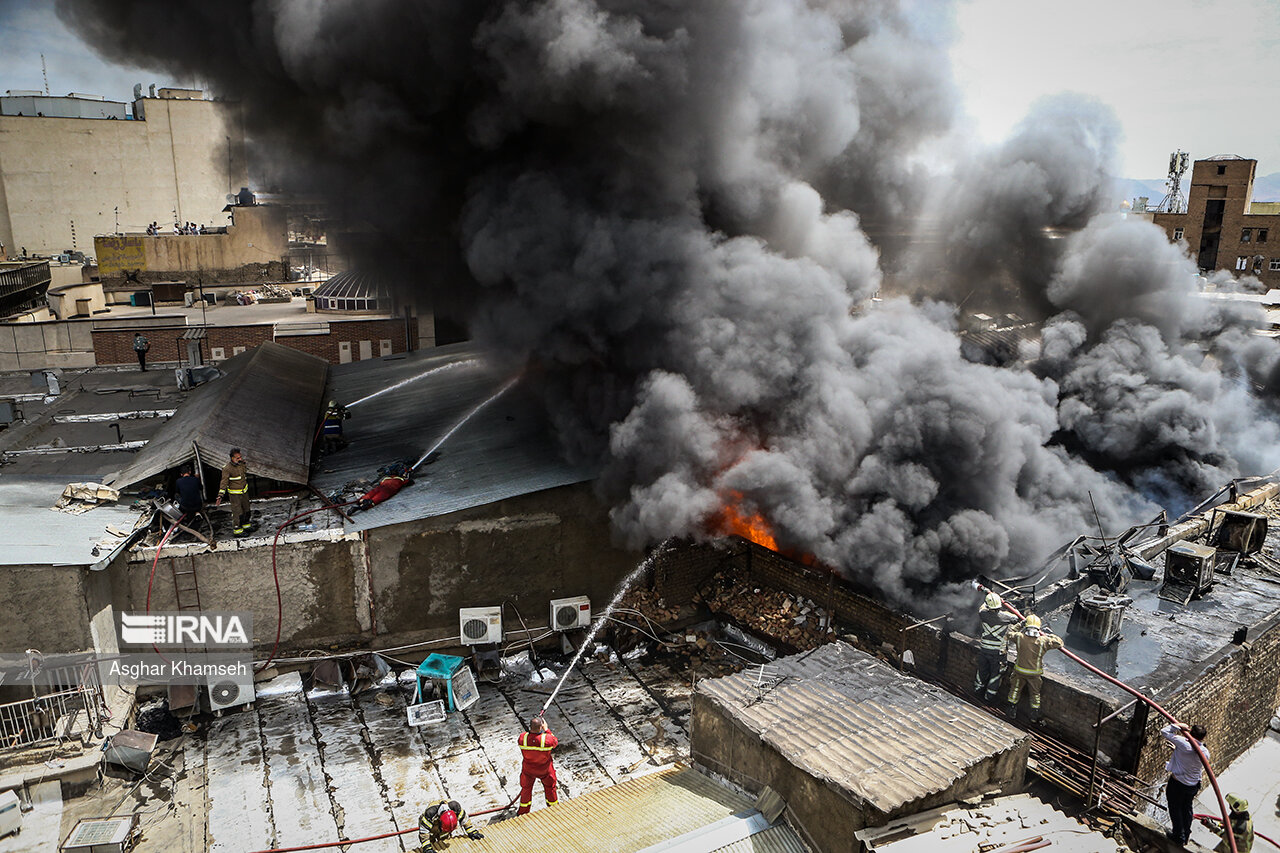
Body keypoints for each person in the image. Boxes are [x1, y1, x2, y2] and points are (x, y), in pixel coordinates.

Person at [1004, 614, 1063, 722]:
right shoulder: (1043, 641)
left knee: (1015, 690)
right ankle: (1034, 715)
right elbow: (1059, 643)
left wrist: (1019, 624)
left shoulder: (1019, 637)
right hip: (1034, 674)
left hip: (1019, 671)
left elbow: (1009, 633)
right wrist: (1049, 635)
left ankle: (1011, 711)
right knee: (1035, 694)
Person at [1162, 720, 1209, 845]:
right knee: (1186, 809)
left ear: (1189, 733)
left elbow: (1164, 731)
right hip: (1192, 785)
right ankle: (1185, 835)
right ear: (1203, 737)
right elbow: (1190, 759)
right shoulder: (1205, 752)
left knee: (1175, 808)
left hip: (1178, 784)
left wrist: (1178, 726)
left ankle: (1178, 836)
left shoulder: (1183, 743)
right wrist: (1176, 750)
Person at [974, 592, 1018, 704]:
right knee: (996, 675)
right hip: (998, 654)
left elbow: (982, 607)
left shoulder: (982, 614)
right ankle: (989, 698)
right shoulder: (1006, 617)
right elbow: (1016, 618)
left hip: (984, 650)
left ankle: (977, 691)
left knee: (982, 672)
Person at [517, 714, 559, 815]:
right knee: (550, 788)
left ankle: (523, 813)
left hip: (528, 770)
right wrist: (547, 729)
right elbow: (555, 743)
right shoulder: (547, 740)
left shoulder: (522, 738)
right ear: (541, 727)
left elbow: (531, 738)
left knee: (526, 790)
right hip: (544, 770)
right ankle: (554, 810)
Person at [414, 799, 482, 852]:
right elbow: (424, 831)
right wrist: (427, 847)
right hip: (430, 824)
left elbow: (464, 819)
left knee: (444, 838)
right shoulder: (430, 813)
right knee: (431, 842)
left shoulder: (455, 807)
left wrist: (472, 831)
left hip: (443, 824)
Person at [217, 448, 252, 536]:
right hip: (235, 494)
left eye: (240, 457)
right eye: (237, 458)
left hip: (244, 492)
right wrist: (220, 495)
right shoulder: (227, 468)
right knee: (238, 512)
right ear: (232, 458)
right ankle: (238, 530)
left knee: (247, 509)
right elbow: (224, 482)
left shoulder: (241, 464)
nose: (240, 459)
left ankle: (246, 525)